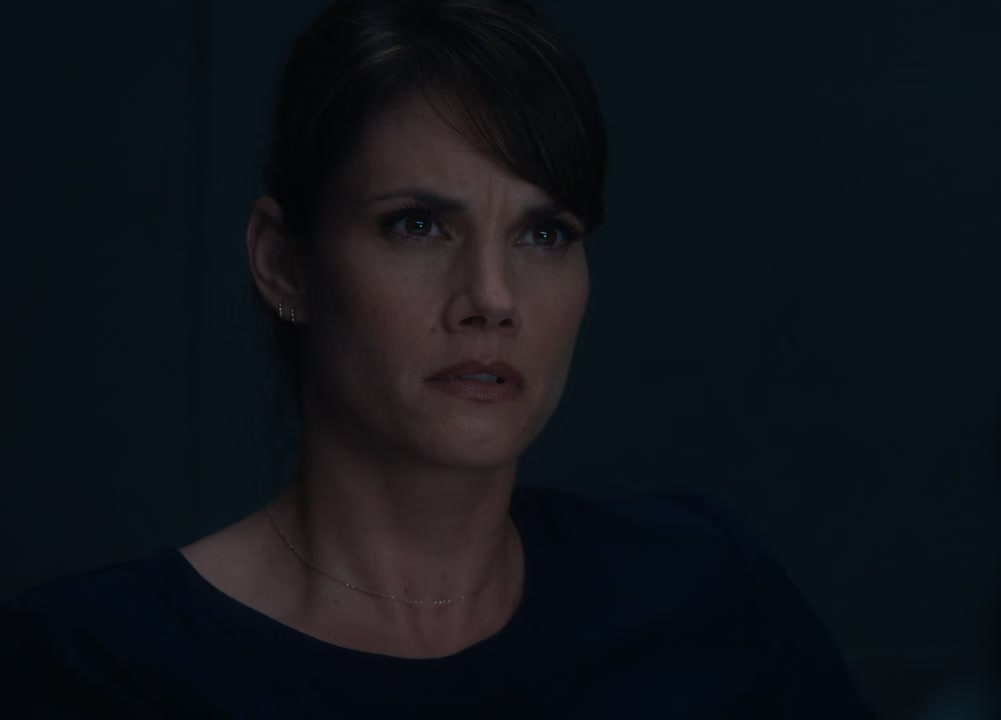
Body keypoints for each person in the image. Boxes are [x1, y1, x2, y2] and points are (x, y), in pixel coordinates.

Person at [0, 1, 872, 717]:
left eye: (544, 233)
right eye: (417, 225)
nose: (491, 296)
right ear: (285, 263)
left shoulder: (701, 592)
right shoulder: (101, 667)